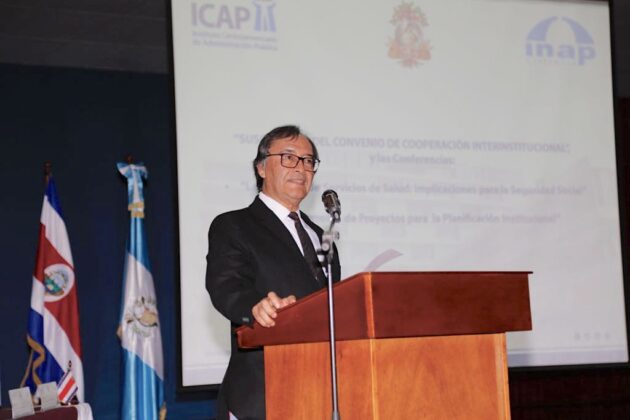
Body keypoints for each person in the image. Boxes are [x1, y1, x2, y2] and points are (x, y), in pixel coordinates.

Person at [206, 125, 341, 420]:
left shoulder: (321, 235)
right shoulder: (234, 225)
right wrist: (255, 307)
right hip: (263, 392)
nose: (301, 168)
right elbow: (226, 285)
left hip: (320, 390)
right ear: (261, 168)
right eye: (289, 158)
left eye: (308, 161)